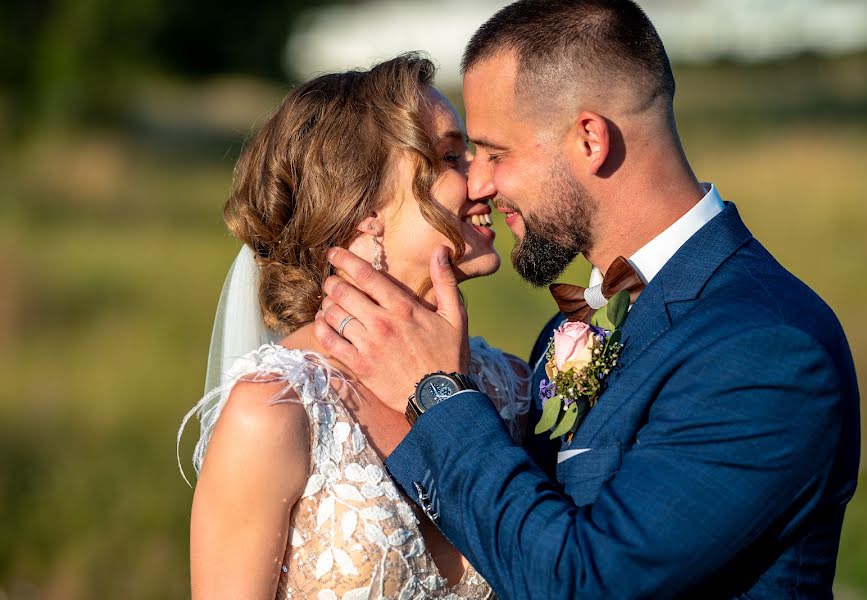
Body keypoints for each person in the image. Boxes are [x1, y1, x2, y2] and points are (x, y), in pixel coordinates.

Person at [314, 1, 861, 598]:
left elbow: (590, 583)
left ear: (589, 138)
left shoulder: (765, 349)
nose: (479, 184)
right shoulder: (567, 331)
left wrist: (437, 394)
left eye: (496, 153)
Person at [179, 54, 531, 599]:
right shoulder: (276, 415)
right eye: (450, 157)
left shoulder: (513, 388)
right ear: (363, 205)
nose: (483, 181)